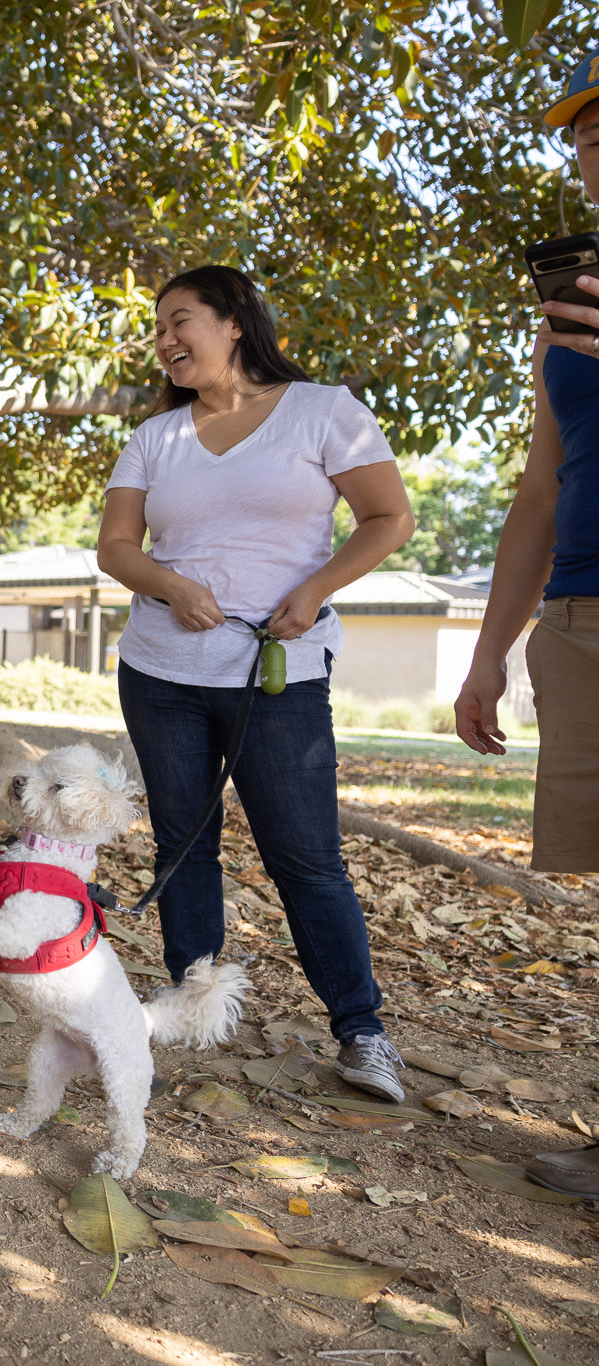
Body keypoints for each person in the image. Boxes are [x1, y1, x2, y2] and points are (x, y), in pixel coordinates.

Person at [95, 264, 416, 1102]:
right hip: (161, 671)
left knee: (307, 860)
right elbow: (117, 549)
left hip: (280, 678)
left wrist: (313, 592)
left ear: (235, 321)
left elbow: (390, 518)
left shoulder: (322, 411)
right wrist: (173, 587)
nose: (166, 340)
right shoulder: (154, 438)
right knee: (184, 847)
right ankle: (191, 1010)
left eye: (181, 320)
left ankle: (362, 1032)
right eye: (158, 327)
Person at [452, 49, 599, 1199]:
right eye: (582, 127)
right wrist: (487, 653)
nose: (591, 141)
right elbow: (537, 496)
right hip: (576, 621)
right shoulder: (566, 318)